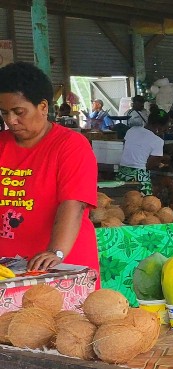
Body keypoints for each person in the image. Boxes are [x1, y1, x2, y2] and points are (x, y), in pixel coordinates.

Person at [0, 62, 99, 271]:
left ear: (43, 107)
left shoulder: (70, 145)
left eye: (19, 112)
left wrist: (56, 251)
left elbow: (73, 204)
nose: (11, 120)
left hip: (62, 266)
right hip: (8, 269)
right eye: (4, 112)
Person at [117, 110, 169, 195]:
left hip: (123, 173)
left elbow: (134, 151)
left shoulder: (131, 130)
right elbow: (149, 165)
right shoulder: (158, 141)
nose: (165, 131)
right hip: (139, 177)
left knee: (124, 201)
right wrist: (162, 159)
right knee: (145, 204)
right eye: (165, 128)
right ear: (159, 127)